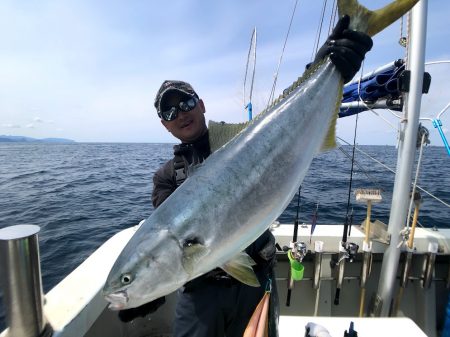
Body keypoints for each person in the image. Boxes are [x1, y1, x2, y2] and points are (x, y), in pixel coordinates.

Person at [118, 15, 372, 337]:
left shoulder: (244, 139)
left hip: (255, 280)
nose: (180, 113)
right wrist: (143, 294)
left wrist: (325, 66)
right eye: (169, 112)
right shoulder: (166, 178)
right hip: (201, 294)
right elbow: (170, 251)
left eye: (186, 102)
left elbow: (284, 122)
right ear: (165, 125)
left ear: (202, 104)